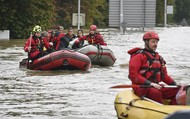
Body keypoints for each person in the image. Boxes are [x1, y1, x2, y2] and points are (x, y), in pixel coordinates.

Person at [128, 31, 183, 105]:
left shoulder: (159, 58)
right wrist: (150, 83)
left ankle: (173, 109)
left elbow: (164, 76)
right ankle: (162, 111)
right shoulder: (138, 56)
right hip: (142, 87)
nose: (155, 44)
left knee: (180, 91)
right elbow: (133, 75)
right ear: (146, 42)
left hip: (155, 86)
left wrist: (175, 84)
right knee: (155, 93)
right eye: (153, 42)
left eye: (156, 42)